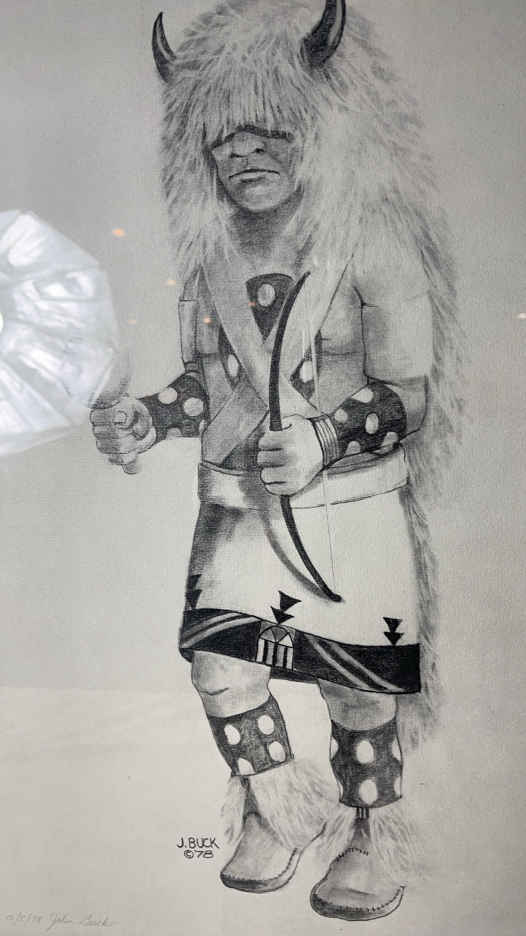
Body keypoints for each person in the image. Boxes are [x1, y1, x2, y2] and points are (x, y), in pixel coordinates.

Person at [90, 0, 461, 922]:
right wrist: (147, 418)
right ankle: (272, 807)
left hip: (352, 507)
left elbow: (410, 395)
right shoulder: (209, 254)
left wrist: (326, 439)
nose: (245, 153)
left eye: (269, 129)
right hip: (236, 504)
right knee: (221, 667)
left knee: (355, 682)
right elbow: (213, 387)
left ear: (318, 127)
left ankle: (371, 834)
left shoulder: (373, 243)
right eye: (224, 137)